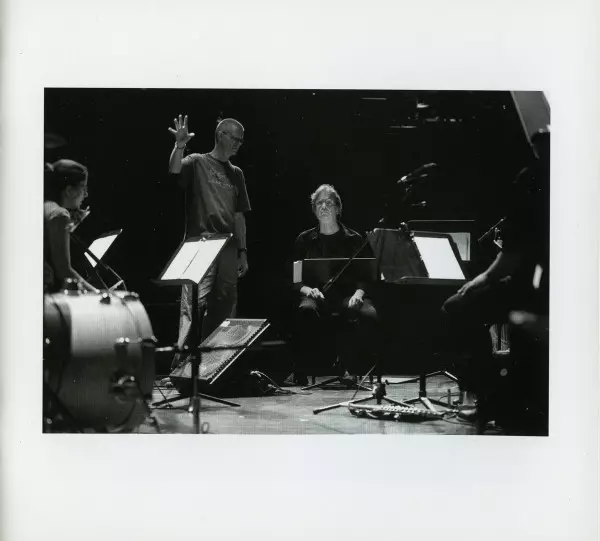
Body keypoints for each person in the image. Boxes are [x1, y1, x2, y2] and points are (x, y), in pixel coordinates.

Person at [441, 129, 550, 426]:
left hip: (534, 290)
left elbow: (512, 256)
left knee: (456, 306)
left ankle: (489, 399)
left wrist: (480, 280)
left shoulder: (532, 179)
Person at [168, 114, 251, 366]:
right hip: (200, 245)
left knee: (225, 308)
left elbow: (238, 216)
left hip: (228, 248)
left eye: (241, 140)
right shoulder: (197, 162)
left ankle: (214, 368)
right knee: (192, 306)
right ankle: (180, 369)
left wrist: (243, 251)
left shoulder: (236, 174)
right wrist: (179, 146)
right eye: (234, 138)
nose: (238, 144)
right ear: (220, 135)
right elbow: (174, 169)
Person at [289, 184, 378, 385]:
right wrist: (308, 290)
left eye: (329, 203)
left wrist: (359, 293)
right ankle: (303, 369)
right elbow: (295, 279)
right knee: (305, 310)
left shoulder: (354, 239)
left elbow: (366, 276)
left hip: (348, 294)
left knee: (367, 313)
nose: (323, 206)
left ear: (338, 208)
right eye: (319, 203)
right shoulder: (304, 240)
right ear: (314, 210)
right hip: (316, 296)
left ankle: (352, 368)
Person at [44, 159, 98, 294]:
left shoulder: (46, 206)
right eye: (83, 187)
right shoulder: (59, 214)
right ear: (69, 190)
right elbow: (64, 270)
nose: (86, 194)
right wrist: (97, 294)